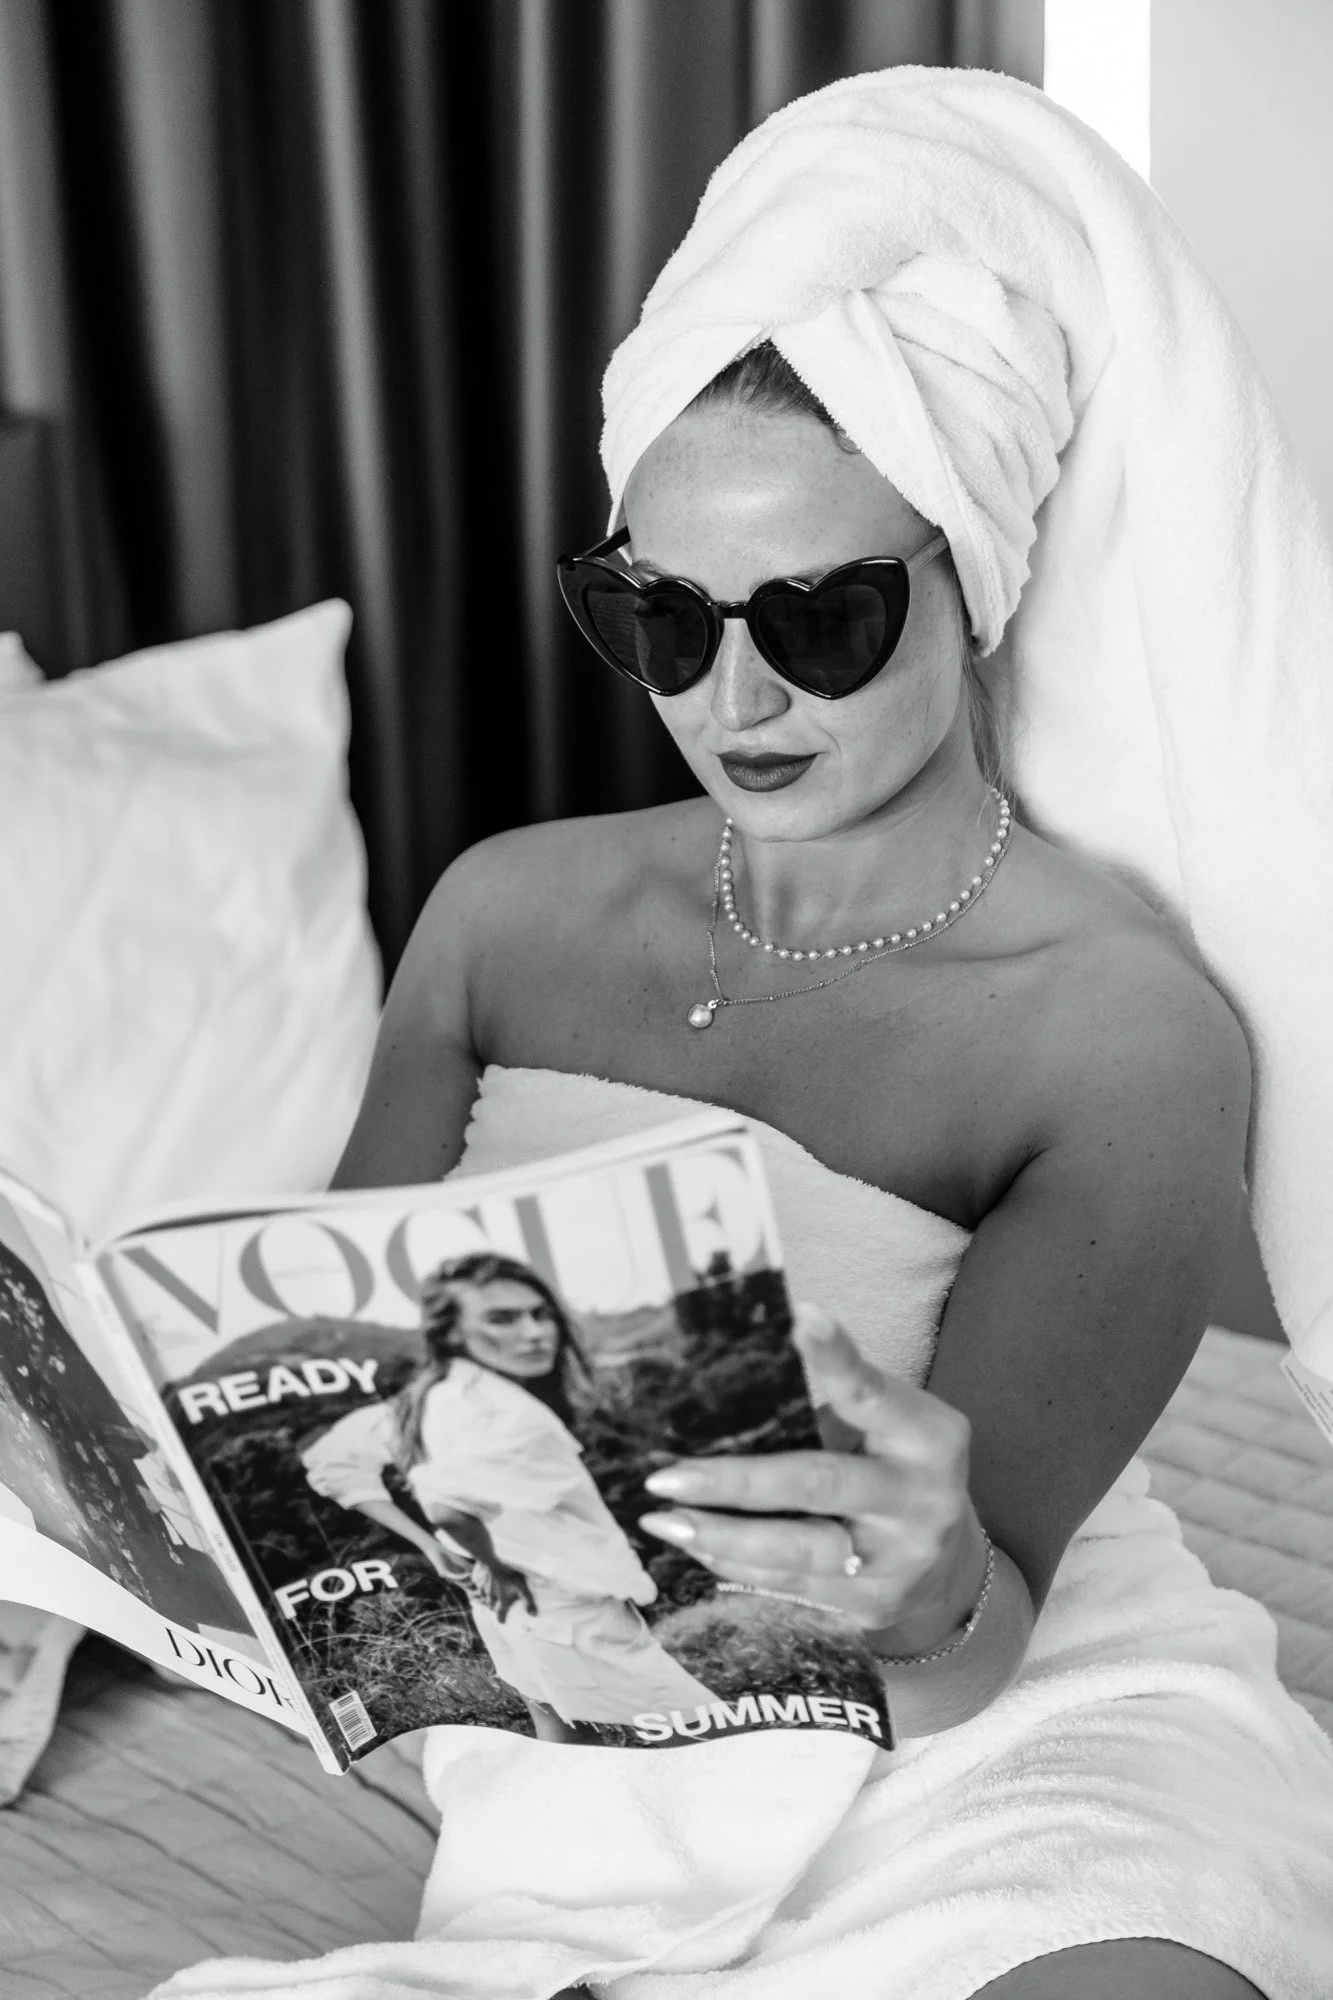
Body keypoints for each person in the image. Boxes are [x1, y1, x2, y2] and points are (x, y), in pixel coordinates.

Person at [152, 68, 1333, 2000]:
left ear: (978, 589)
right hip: (585, 1778)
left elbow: (984, 1633)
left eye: (825, 618)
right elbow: (326, 1385)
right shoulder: (504, 912)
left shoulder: (1112, 1027)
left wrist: (927, 1578)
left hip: (1000, 1751)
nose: (734, 693)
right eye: (660, 620)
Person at [301, 1251, 714, 1741]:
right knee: (708, 1729)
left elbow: (335, 1460)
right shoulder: (502, 1413)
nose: (535, 1332)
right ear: (452, 1332)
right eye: (503, 1319)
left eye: (540, 1314)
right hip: (564, 1607)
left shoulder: (430, 1395)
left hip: (506, 1603)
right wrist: (489, 1561)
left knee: (561, 1730)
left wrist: (434, 1547)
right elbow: (447, 1509)